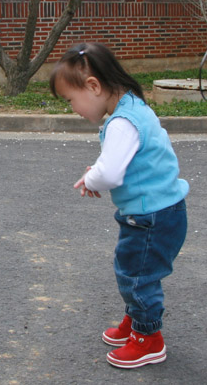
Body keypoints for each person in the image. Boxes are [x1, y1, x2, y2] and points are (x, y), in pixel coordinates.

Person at [49, 43, 188, 369]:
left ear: (94, 86)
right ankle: (137, 319)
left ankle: (148, 338)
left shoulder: (122, 122)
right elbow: (124, 161)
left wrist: (94, 178)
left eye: (72, 100)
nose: (74, 109)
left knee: (136, 275)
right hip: (162, 211)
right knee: (136, 270)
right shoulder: (135, 108)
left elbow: (110, 171)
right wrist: (99, 173)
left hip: (150, 217)